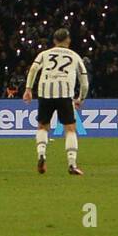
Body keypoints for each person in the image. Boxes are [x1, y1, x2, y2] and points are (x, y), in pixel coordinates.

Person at [23, 28, 90, 176]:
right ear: (68, 40)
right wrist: (81, 98)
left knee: (42, 127)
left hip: (45, 92)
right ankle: (72, 164)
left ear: (54, 41)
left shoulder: (44, 54)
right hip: (65, 94)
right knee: (70, 129)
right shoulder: (74, 56)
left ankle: (41, 155)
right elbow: (84, 82)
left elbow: (33, 69)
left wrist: (28, 89)